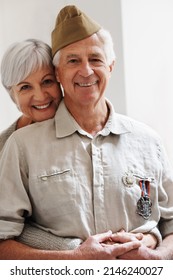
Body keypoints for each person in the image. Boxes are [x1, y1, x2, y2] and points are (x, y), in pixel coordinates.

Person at [0, 5, 173, 260]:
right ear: (58, 73)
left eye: (95, 59)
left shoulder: (148, 141)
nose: (87, 71)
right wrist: (75, 260)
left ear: (111, 66)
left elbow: (169, 222)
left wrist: (158, 256)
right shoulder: (20, 146)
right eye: (73, 60)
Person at [0, 39, 82, 250]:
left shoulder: (85, 129)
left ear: (59, 80)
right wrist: (70, 249)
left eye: (47, 82)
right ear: (12, 95)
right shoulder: (6, 146)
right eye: (25, 87)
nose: (40, 96)